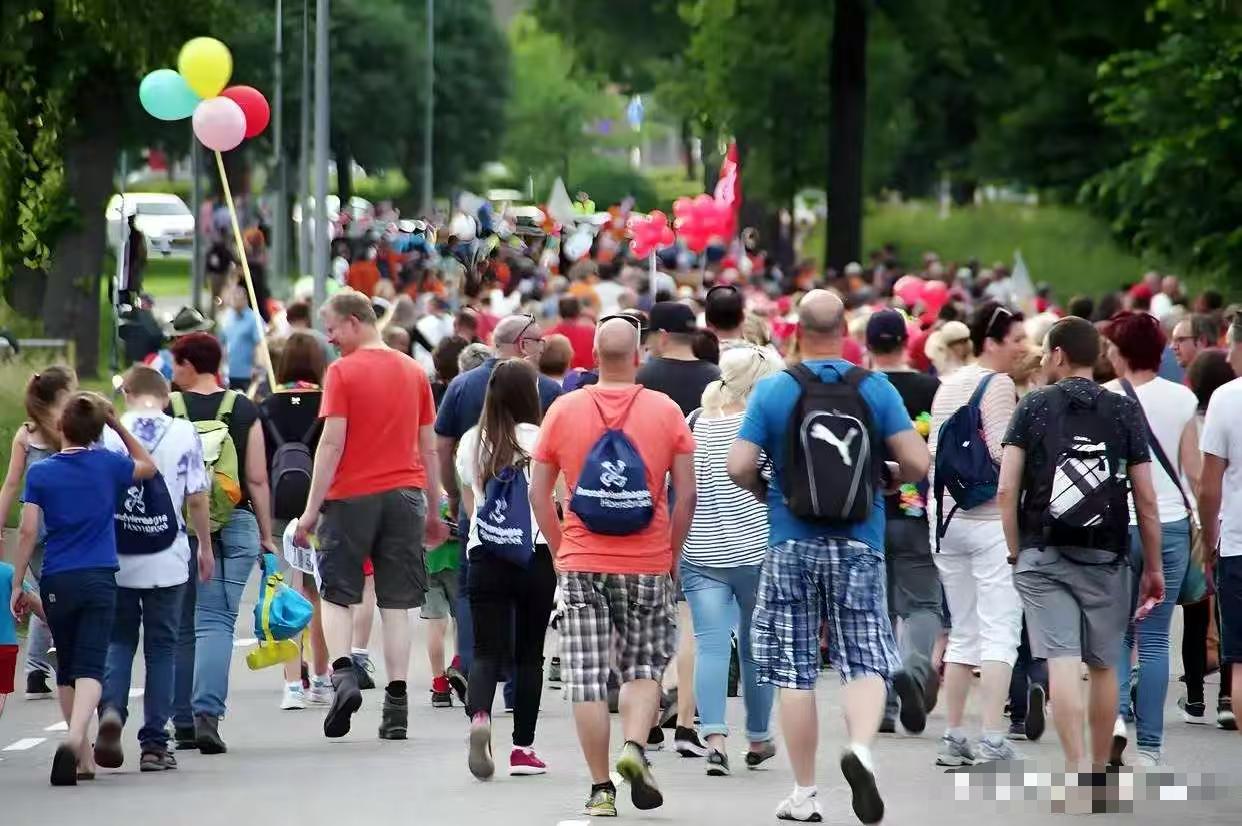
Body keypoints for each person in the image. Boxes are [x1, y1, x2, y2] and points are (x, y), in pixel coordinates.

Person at [729, 290, 929, 824]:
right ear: (847, 331)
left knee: (794, 671)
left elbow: (739, 463)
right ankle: (861, 749)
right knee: (863, 655)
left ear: (796, 331)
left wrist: (768, 493)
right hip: (860, 538)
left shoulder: (774, 391)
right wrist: (887, 477)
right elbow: (917, 460)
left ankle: (805, 793)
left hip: (789, 539)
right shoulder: (876, 388)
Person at [530, 316, 696, 818]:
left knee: (585, 678)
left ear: (595, 358)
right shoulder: (666, 411)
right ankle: (634, 748)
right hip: (647, 561)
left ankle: (601, 789)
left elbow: (539, 491)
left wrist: (561, 551)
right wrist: (670, 555)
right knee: (643, 669)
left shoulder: (563, 410)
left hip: (582, 561)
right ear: (639, 357)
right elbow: (685, 494)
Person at [998, 316, 1164, 768]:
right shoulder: (1125, 410)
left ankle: (1074, 770)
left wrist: (1016, 551)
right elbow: (1146, 500)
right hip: (1106, 553)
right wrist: (1153, 566)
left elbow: (1006, 489)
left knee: (1062, 659)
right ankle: (1096, 770)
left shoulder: (1032, 406)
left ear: (1058, 355)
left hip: (1042, 548)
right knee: (1106, 663)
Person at [294, 291, 448, 741]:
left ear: (356, 322)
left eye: (334, 328)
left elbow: (331, 444)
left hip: (350, 497)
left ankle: (343, 673)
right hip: (405, 494)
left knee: (339, 593)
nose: (330, 337)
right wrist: (435, 504)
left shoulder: (342, 372)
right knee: (397, 604)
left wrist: (309, 511)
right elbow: (428, 446)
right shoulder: (413, 370)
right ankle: (397, 703)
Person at [7, 392, 157, 786]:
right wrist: (118, 425)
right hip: (99, 575)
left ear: (60, 427)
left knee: (68, 663)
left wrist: (19, 580)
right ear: (97, 430)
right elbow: (147, 466)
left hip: (57, 576)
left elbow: (27, 530)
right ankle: (75, 740)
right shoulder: (108, 464)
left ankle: (83, 758)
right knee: (91, 663)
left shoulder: (41, 474)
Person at [435, 314, 564, 698]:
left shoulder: (461, 384)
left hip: (477, 498)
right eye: (538, 341)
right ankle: (515, 690)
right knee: (524, 597)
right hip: (533, 519)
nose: (543, 348)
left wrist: (454, 493)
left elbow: (443, 445)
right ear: (523, 344)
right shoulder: (548, 390)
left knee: (474, 591)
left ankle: (475, 670)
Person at [94, 366, 214, 773]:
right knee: (162, 647)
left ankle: (111, 710)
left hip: (116, 553)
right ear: (167, 394)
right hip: (168, 554)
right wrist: (206, 547)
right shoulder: (184, 432)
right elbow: (197, 497)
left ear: (127, 391)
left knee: (118, 640)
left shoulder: (108, 430)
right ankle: (155, 745)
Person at [925, 302, 1027, 765]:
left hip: (944, 520)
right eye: (1015, 340)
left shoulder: (948, 384)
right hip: (988, 521)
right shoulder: (999, 384)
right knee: (1000, 629)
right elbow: (1006, 461)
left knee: (962, 629)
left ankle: (954, 736)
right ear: (992, 342)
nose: (1022, 348)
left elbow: (933, 456)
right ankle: (991, 739)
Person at [168, 332, 278, 754]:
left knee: (179, 626)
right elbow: (256, 478)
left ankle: (180, 721)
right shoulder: (243, 409)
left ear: (191, 364)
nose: (172, 371)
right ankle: (206, 714)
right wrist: (266, 534)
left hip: (178, 525)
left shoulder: (170, 410)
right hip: (236, 522)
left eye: (176, 363)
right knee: (216, 622)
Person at [1102, 312, 1200, 765]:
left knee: (1118, 633)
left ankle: (1116, 720)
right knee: (1156, 637)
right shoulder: (1182, 398)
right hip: (1172, 523)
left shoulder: (1104, 398)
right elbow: (1193, 472)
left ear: (1120, 351)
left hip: (1116, 522)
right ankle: (1151, 748)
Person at [681, 345, 781, 776]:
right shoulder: (759, 426)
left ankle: (715, 739)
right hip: (757, 549)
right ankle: (757, 738)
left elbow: (679, 484)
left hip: (700, 549)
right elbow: (775, 482)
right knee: (757, 647)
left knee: (712, 645)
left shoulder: (694, 421)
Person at [457, 359, 557, 778]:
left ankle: (481, 716)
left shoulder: (472, 441)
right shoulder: (545, 439)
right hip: (535, 554)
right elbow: (559, 500)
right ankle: (522, 749)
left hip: (486, 554)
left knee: (485, 650)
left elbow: (468, 500)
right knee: (528, 655)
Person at [865, 309, 944, 736]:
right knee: (923, 603)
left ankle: (883, 702)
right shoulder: (932, 387)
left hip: (867, 511)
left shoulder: (859, 387)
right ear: (905, 342)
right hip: (918, 509)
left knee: (874, 609)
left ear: (869, 345)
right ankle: (915, 668)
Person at [258, 332, 333, 710]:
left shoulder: (266, 405)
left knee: (284, 591)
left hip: (275, 506)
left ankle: (291, 685)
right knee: (317, 593)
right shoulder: (328, 404)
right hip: (319, 507)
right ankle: (321, 677)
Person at [0, 367, 77, 700]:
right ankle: (62, 659)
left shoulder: (25, 434)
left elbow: (10, 484)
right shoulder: (70, 430)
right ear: (61, 395)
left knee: (50, 596)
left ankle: (36, 666)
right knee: (63, 601)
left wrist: (1, 525)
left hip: (38, 533)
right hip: (68, 529)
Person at [1197, 318, 1242, 734]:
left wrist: (1208, 539)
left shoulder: (1226, 399)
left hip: (1237, 542)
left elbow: (1209, 485)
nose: (1226, 356)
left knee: (1241, 659)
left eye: (1231, 347)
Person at [637, 301, 721, 416]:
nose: (647, 343)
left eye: (650, 336)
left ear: (663, 336)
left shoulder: (643, 376)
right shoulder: (716, 375)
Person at [220, 284, 263, 391]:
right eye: (233, 298)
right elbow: (222, 344)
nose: (235, 300)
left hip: (248, 373)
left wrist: (257, 367)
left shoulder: (254, 319)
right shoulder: (226, 317)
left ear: (245, 299)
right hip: (229, 373)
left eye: (238, 298)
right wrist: (220, 367)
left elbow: (259, 345)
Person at [545, 296, 597, 370]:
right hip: (588, 377)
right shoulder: (592, 331)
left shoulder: (548, 334)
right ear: (579, 311)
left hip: (558, 377)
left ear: (559, 312)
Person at [285, 300, 337, 364]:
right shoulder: (321, 339)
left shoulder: (287, 340)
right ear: (307, 317)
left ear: (289, 320)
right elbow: (332, 360)